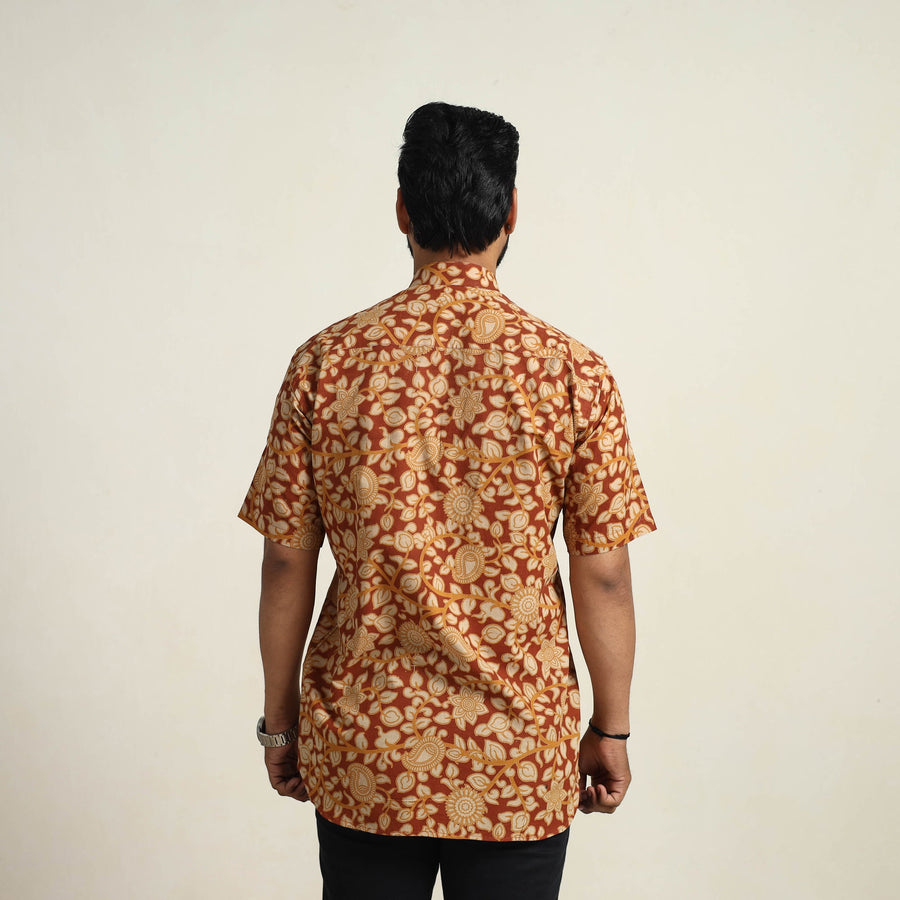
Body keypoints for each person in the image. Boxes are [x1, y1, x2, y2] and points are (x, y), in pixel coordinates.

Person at [238, 101, 656, 900]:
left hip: (367, 747)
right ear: (511, 210)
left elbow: (285, 561)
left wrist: (279, 724)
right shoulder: (573, 373)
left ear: (403, 209)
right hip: (515, 755)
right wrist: (611, 727)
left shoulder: (326, 363)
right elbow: (604, 575)